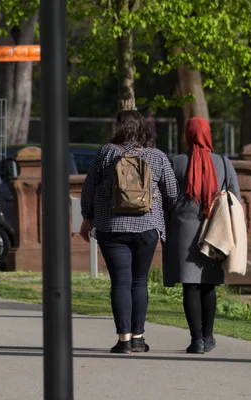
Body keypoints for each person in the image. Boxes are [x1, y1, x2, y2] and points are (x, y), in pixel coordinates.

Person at [79, 109, 179, 354]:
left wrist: (86, 217)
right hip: (147, 226)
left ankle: (123, 340)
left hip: (111, 226)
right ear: (143, 128)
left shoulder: (107, 152)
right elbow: (173, 193)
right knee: (139, 281)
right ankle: (138, 337)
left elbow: (89, 187)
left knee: (120, 282)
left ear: (118, 128)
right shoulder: (156, 156)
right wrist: (163, 219)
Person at [163, 116, 241, 354]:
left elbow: (166, 199)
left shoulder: (175, 163)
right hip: (213, 231)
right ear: (208, 134)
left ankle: (196, 340)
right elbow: (235, 198)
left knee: (190, 287)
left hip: (183, 232)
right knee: (209, 286)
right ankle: (208, 337)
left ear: (188, 134)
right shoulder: (224, 163)